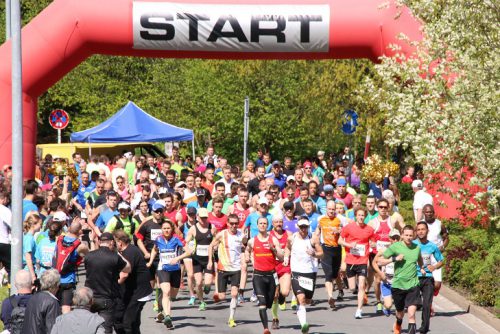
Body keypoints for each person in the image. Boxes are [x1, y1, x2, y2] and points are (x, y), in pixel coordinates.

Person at [380, 225, 426, 334]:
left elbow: (419, 260)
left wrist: (422, 268)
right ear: (402, 235)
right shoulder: (395, 247)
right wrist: (395, 258)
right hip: (398, 285)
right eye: (406, 235)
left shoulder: (417, 248)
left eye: (411, 235)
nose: (409, 237)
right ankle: (399, 322)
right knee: (400, 312)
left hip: (413, 284)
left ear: (414, 235)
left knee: (411, 314)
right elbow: (380, 261)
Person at [147, 220, 192, 330]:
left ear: (172, 229)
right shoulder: (158, 239)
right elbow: (154, 250)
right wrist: (150, 261)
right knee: (166, 291)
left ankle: (161, 306)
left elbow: (189, 252)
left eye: (168, 228)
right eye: (164, 228)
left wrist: (177, 258)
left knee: (172, 295)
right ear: (161, 230)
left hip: (175, 269)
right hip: (163, 269)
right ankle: (168, 318)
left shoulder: (177, 238)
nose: (166, 230)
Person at [85, 232, 131, 333]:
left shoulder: (89, 256)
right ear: (111, 242)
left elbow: (93, 259)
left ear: (100, 242)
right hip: (107, 298)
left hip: (90, 298)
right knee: (106, 329)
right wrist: (117, 253)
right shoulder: (114, 257)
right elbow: (128, 268)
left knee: (89, 327)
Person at [244, 217, 284, 334]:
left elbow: (281, 257)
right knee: (262, 303)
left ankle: (280, 297)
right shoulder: (252, 241)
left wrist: (274, 250)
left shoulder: (273, 240)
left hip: (271, 275)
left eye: (265, 223)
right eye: (260, 223)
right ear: (257, 225)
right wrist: (247, 256)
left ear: (268, 225)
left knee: (269, 303)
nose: (262, 225)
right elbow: (247, 250)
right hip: (258, 275)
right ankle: (265, 328)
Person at [285, 216, 323, 334]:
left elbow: (321, 254)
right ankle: (304, 325)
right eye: (301, 227)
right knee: (300, 298)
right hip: (296, 271)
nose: (303, 229)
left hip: (310, 272)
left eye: (305, 227)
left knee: (307, 300)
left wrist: (314, 254)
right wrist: (286, 257)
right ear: (298, 227)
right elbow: (287, 248)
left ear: (308, 227)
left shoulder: (313, 238)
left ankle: (300, 310)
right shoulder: (292, 238)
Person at [207, 214, 245, 328]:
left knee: (234, 294)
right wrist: (210, 260)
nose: (234, 225)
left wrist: (245, 257)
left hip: (236, 268)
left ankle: (231, 318)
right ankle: (218, 292)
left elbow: (244, 248)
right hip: (223, 268)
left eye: (236, 223)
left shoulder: (241, 235)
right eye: (231, 223)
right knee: (222, 297)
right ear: (227, 223)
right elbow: (211, 246)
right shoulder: (222, 234)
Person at [339, 207, 377, 319]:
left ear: (365, 216)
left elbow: (373, 241)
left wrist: (373, 245)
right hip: (350, 260)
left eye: (362, 215)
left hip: (363, 261)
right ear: (355, 215)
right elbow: (340, 240)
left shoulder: (369, 229)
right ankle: (357, 291)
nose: (361, 217)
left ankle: (359, 310)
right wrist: (349, 245)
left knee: (361, 286)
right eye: (359, 215)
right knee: (352, 288)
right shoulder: (348, 227)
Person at [114, 230, 153, 334]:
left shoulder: (129, 253)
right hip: (138, 291)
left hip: (139, 293)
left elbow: (124, 274)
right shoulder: (131, 249)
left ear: (119, 242)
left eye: (114, 243)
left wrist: (112, 286)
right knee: (134, 322)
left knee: (127, 323)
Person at [184, 208, 217, 311]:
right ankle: (202, 302)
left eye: (205, 218)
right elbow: (185, 242)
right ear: (197, 217)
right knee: (198, 283)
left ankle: (206, 289)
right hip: (197, 260)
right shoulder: (193, 229)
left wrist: (214, 247)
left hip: (208, 259)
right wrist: (189, 249)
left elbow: (217, 240)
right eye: (201, 218)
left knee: (207, 284)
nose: (203, 220)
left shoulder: (212, 227)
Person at [413, 221, 444, 334]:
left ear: (427, 231)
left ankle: (424, 328)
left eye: (423, 229)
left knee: (427, 303)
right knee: (414, 304)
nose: (420, 231)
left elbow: (441, 260)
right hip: (414, 277)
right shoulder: (412, 244)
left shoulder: (432, 246)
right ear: (416, 232)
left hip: (427, 278)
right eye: (418, 229)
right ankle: (411, 324)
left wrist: (434, 266)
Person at [315, 200, 343, 309]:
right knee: (328, 274)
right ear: (326, 209)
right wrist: (315, 239)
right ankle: (330, 297)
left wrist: (340, 230)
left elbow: (346, 229)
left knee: (335, 274)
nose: (331, 211)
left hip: (337, 249)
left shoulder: (339, 219)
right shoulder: (321, 219)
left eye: (333, 209)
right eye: (329, 209)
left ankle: (340, 289)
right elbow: (317, 230)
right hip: (325, 248)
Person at [422, 204, 448, 314]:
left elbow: (446, 237)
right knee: (427, 281)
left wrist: (443, 246)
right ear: (424, 212)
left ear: (434, 212)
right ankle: (429, 304)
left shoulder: (439, 224)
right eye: (426, 212)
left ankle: (428, 299)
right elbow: (414, 237)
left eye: (430, 212)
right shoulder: (420, 224)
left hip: (436, 255)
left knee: (437, 284)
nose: (429, 214)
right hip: (425, 256)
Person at [269, 213, 292, 329]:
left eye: (280, 222)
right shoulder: (269, 235)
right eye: (276, 222)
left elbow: (293, 247)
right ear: (272, 223)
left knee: (285, 292)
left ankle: (282, 297)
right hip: (272, 266)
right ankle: (275, 318)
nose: (279, 224)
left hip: (285, 265)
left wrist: (288, 255)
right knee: (274, 295)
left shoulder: (288, 234)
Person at [22, 269, 61, 334]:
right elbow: (52, 329)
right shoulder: (52, 302)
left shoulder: (33, 298)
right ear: (55, 285)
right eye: (58, 285)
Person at [372, 229, 400, 316]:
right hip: (387, 281)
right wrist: (380, 273)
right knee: (389, 305)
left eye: (397, 238)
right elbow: (374, 262)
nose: (395, 240)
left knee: (399, 307)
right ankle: (386, 307)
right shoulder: (384, 250)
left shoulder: (403, 249)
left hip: (398, 282)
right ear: (389, 239)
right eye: (393, 238)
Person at [22, 212, 42, 284]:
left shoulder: (29, 237)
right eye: (40, 224)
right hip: (28, 270)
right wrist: (33, 276)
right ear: (34, 225)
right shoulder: (29, 239)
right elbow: (28, 258)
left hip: (30, 268)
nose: (41, 226)